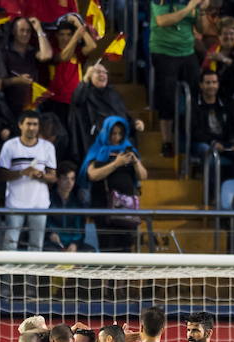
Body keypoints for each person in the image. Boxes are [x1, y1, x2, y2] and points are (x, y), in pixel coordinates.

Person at [81, 116, 147, 253]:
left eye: (120, 134)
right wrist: (116, 164)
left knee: (126, 249)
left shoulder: (128, 149)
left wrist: (135, 162)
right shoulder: (98, 150)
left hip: (126, 209)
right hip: (104, 208)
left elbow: (143, 176)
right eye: (113, 133)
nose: (116, 138)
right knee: (108, 248)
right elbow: (92, 174)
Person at [150, 0, 205, 158]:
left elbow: (200, 29)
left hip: (187, 51)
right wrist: (189, 8)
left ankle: (192, 134)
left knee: (196, 92)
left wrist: (199, 11)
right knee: (167, 96)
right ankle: (167, 141)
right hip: (164, 51)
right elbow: (162, 21)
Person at [0, 110, 57, 252]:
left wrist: (41, 175)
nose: (32, 128)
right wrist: (22, 172)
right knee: (10, 244)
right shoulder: (10, 146)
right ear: (20, 125)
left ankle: (32, 275)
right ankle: (7, 274)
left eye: (35, 124)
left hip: (39, 203)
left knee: (36, 245)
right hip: (15, 203)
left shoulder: (47, 147)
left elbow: (53, 176)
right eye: (28, 124)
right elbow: (1, 174)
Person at [46, 14, 96, 127]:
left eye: (69, 35)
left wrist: (79, 25)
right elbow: (63, 57)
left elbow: (92, 46)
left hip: (74, 101)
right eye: (62, 34)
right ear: (56, 36)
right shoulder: (51, 50)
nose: (65, 38)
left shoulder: (77, 51)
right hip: (55, 101)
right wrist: (76, 36)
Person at [45, 161, 94, 252]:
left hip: (72, 243)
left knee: (90, 251)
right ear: (58, 180)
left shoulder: (77, 203)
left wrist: (75, 244)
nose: (69, 183)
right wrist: (50, 234)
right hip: (53, 244)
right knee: (49, 251)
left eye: (72, 179)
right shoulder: (48, 200)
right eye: (65, 179)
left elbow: (80, 229)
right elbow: (45, 223)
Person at [201, 16, 234, 103]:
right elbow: (206, 73)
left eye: (231, 33)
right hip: (219, 94)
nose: (228, 37)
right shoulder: (213, 51)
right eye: (225, 33)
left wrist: (224, 59)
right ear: (219, 36)